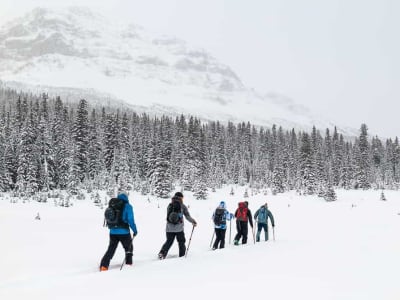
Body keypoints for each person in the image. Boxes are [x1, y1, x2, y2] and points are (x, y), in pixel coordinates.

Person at [100, 192, 138, 271]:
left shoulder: (113, 204)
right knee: (129, 247)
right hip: (124, 232)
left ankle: (104, 265)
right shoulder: (128, 206)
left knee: (111, 249)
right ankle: (128, 263)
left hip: (112, 232)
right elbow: (130, 220)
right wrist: (134, 230)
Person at [158, 192, 197, 259]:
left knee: (169, 241)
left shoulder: (170, 205)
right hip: (179, 229)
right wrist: (193, 221)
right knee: (181, 242)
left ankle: (162, 253)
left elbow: (168, 216)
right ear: (181, 198)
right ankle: (182, 256)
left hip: (169, 228)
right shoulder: (182, 206)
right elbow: (187, 216)